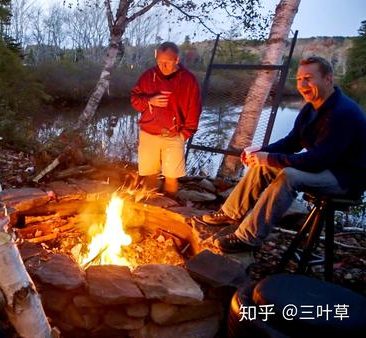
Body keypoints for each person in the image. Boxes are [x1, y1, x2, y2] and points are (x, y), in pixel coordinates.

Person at [199, 56, 366, 253]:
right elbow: (291, 142)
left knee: (289, 176)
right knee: (264, 165)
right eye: (299, 79)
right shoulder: (311, 108)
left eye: (308, 78)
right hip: (324, 167)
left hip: (344, 179)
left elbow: (317, 161)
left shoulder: (343, 113)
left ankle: (248, 237)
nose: (302, 84)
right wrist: (262, 153)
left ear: (328, 79)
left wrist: (270, 158)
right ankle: (230, 213)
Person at [131, 42, 202, 195]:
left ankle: (168, 206)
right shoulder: (149, 76)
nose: (163, 66)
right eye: (159, 62)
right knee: (150, 174)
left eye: (167, 62)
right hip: (149, 133)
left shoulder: (188, 80)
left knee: (171, 176)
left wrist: (185, 134)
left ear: (177, 60)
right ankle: (149, 205)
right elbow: (135, 100)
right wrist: (149, 101)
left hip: (174, 135)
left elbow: (194, 110)